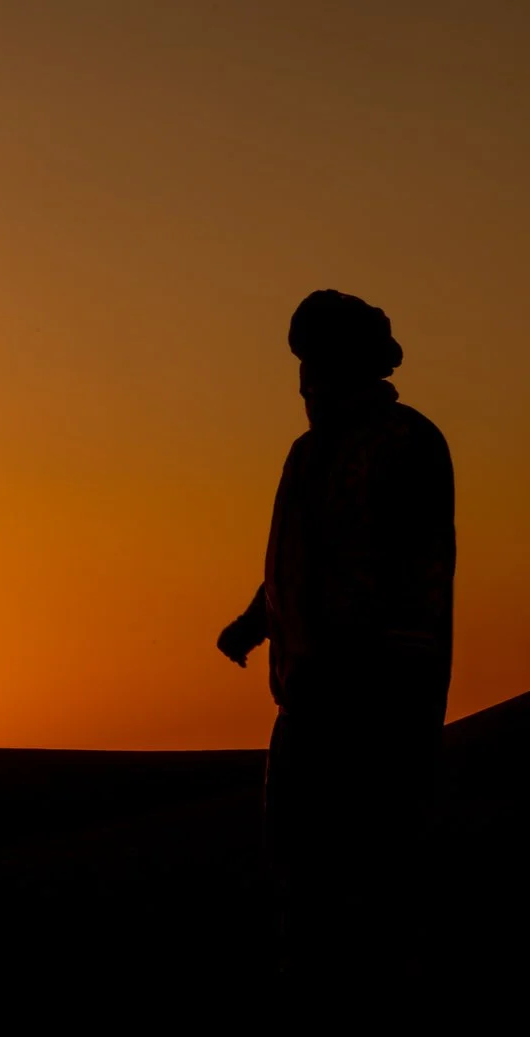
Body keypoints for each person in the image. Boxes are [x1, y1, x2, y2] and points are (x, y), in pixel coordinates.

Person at [217, 289, 455, 1000]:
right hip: (309, 693)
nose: (305, 379)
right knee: (297, 854)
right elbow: (297, 558)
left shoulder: (403, 442)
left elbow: (408, 570)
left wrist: (381, 673)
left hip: (377, 697)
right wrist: (256, 620)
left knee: (374, 862)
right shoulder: (309, 453)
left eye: (316, 361)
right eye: (302, 363)